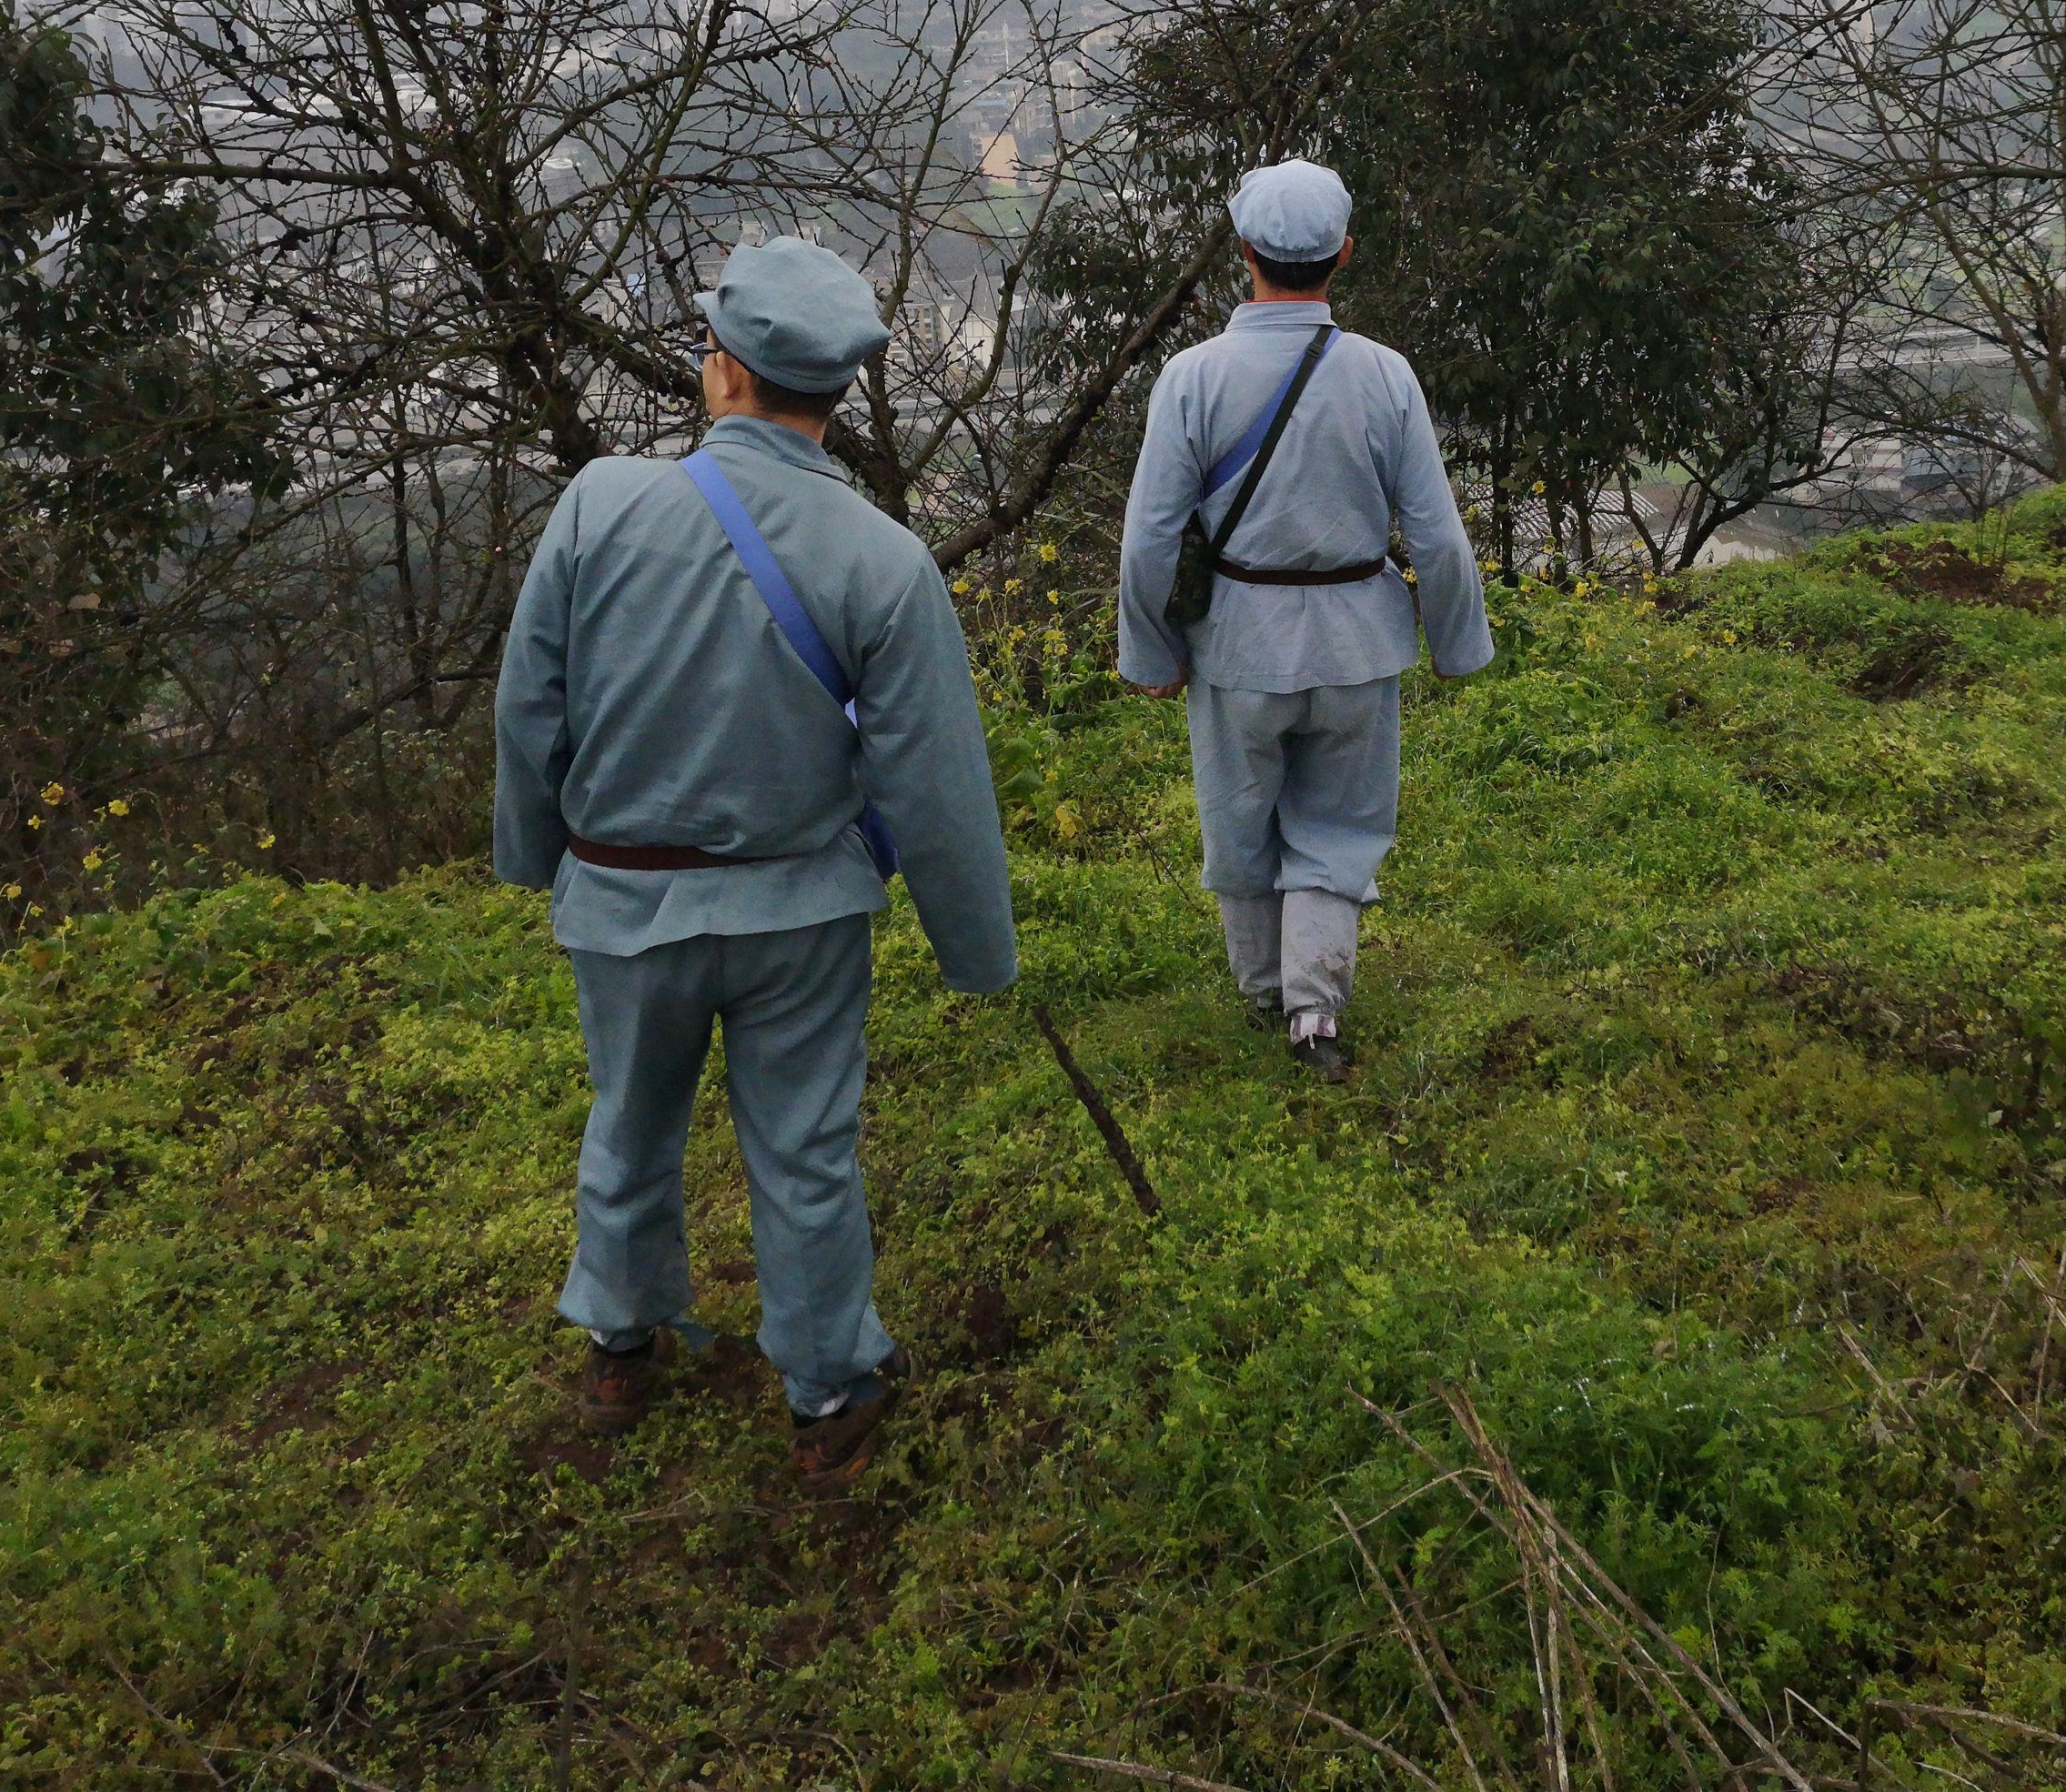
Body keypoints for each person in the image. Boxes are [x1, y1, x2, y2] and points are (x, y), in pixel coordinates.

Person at [493, 237, 1015, 1475]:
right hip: (799, 919)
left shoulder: (601, 504)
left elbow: (531, 706)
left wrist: (530, 855)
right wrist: (976, 954)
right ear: (838, 391)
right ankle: (829, 1394)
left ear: (721, 372)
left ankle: (619, 1347)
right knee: (804, 1151)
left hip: (623, 903)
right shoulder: (885, 561)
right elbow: (933, 785)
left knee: (629, 1122)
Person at [1115, 161, 1492, 1079]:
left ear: (1242, 255)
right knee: (1340, 828)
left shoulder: (1192, 378)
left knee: (1240, 823)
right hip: (1359, 641)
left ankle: (1260, 996)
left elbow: (1148, 541)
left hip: (1238, 644)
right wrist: (1454, 642)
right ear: (1343, 255)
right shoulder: (1385, 376)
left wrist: (1151, 651)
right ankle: (1313, 1014)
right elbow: (1437, 536)